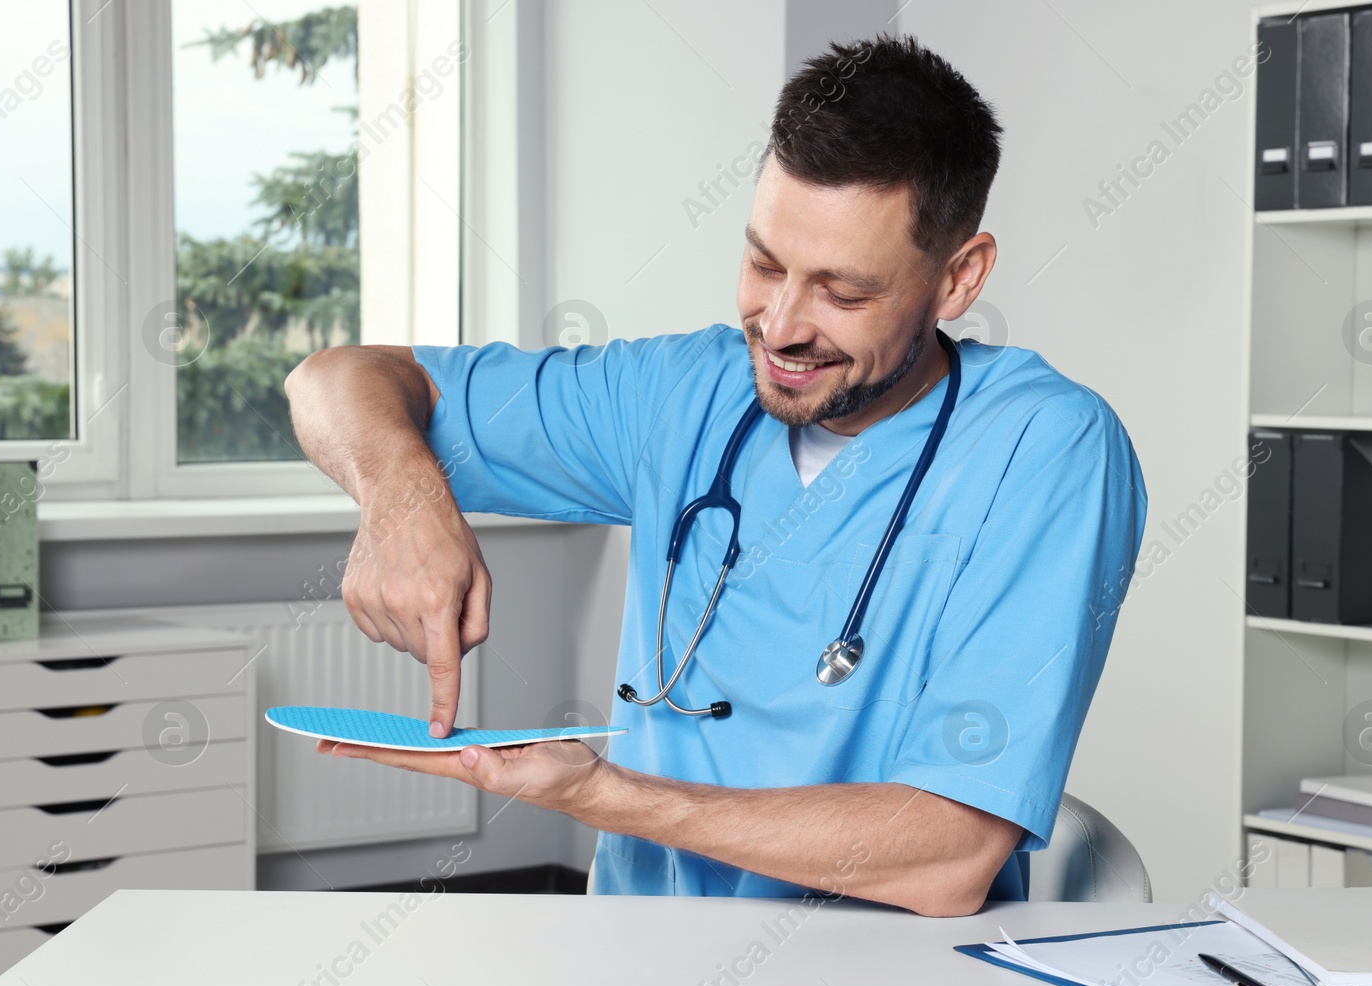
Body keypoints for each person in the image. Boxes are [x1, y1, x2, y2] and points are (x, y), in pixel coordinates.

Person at [286, 35, 1146, 917]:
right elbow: (333, 380)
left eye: (841, 293)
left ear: (959, 278)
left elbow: (950, 852)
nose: (778, 326)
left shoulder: (1045, 449)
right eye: (765, 264)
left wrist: (598, 794)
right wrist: (402, 494)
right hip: (632, 967)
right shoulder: (680, 393)